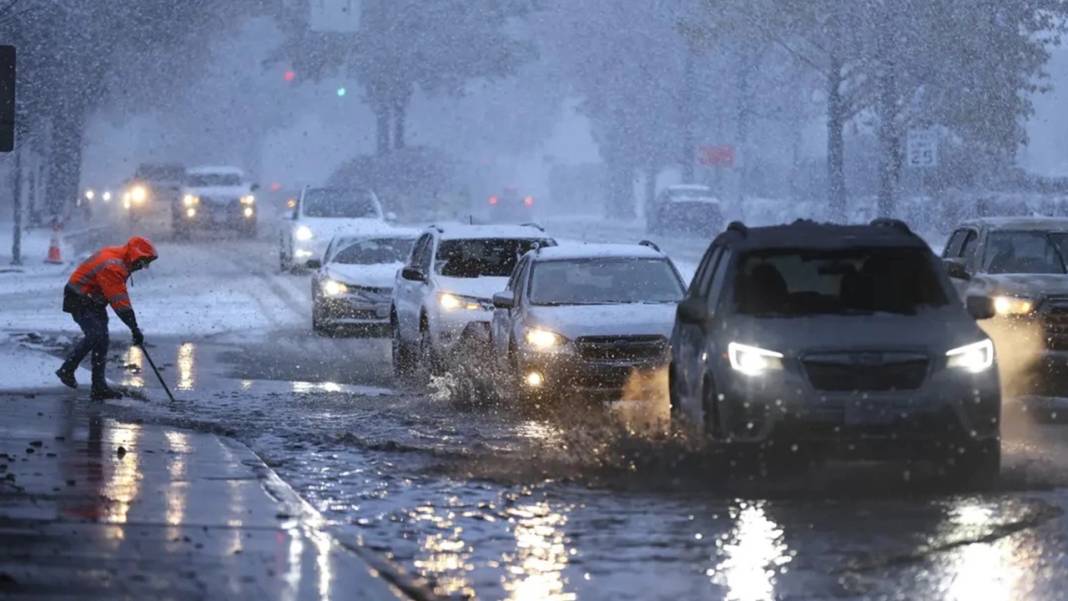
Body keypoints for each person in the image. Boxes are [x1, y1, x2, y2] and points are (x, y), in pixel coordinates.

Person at [55, 236, 158, 401]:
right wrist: (134, 328)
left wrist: (134, 327)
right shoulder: (113, 266)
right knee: (96, 334)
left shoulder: (120, 258)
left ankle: (98, 387)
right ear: (135, 256)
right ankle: (67, 369)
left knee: (102, 339)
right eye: (143, 262)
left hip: (92, 299)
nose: (144, 267)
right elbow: (119, 300)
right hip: (79, 298)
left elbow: (116, 297)